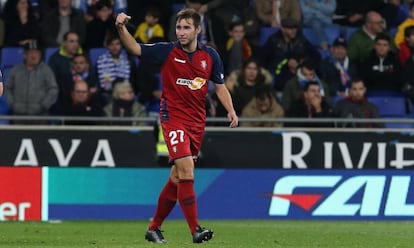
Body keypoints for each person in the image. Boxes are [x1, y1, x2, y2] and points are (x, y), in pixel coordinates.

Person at [116, 8, 238, 244]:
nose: (181, 32)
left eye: (186, 28)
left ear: (197, 30)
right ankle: (196, 230)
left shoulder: (210, 57)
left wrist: (230, 110)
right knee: (186, 171)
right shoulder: (166, 51)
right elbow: (135, 48)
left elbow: (220, 86)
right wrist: (120, 27)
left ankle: (154, 228)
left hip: (196, 121)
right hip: (173, 117)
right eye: (179, 27)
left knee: (176, 176)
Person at [5, 40, 58, 124]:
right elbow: (7, 88)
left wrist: (43, 105)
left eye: (36, 53)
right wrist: (12, 104)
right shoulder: (15, 70)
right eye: (31, 52)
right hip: (18, 116)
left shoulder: (46, 71)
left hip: (40, 117)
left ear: (40, 55)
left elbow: (53, 89)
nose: (34, 56)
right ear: (25, 55)